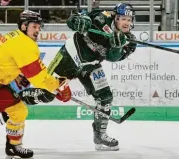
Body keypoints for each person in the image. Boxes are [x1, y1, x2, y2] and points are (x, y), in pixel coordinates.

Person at [22, 3, 137, 151]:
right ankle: (14, 99)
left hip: (91, 66)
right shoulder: (100, 18)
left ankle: (99, 136)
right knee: (47, 94)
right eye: (123, 19)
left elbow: (113, 58)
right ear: (115, 18)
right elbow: (72, 20)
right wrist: (79, 21)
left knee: (105, 97)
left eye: (129, 19)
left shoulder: (129, 41)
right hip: (69, 56)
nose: (126, 23)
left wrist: (117, 47)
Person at [0, 10, 71, 158]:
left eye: (40, 27)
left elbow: (3, 60)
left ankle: (13, 146)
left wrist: (17, 76)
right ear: (24, 26)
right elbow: (40, 79)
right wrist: (58, 85)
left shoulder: (16, 36)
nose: (38, 30)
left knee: (19, 111)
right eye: (35, 26)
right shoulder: (25, 44)